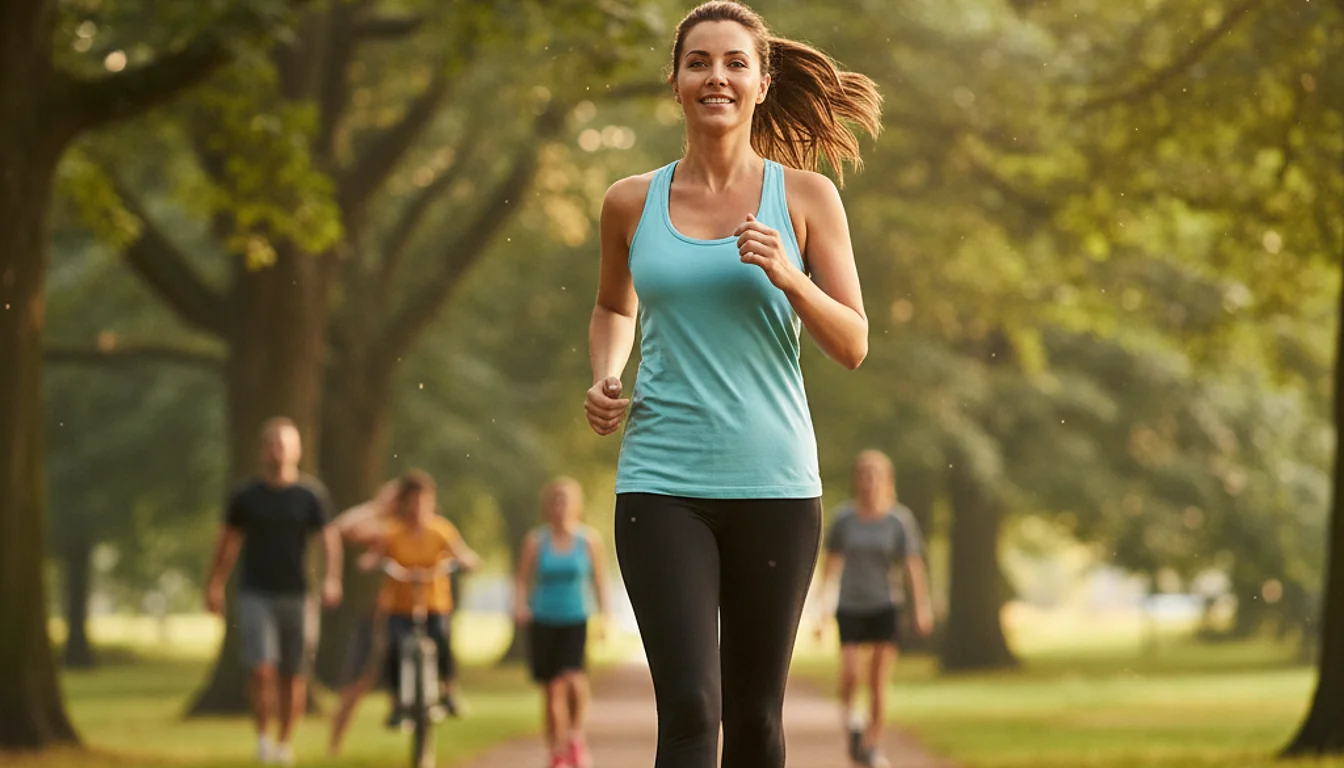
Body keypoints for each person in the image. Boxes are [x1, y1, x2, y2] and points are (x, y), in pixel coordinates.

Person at [583, 2, 880, 765]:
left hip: (776, 487)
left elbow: (852, 342)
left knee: (755, 721)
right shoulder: (630, 201)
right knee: (689, 709)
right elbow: (615, 305)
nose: (717, 75)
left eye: (735, 62)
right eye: (699, 62)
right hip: (660, 484)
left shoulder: (807, 199)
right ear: (676, 82)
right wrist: (607, 374)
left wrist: (791, 277)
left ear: (761, 80)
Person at [205, 417, 343, 766]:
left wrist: (331, 579)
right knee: (261, 669)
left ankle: (285, 743)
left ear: (297, 450)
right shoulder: (245, 496)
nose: (279, 451)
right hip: (256, 593)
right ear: (263, 451)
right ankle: (264, 738)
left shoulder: (310, 495)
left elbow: (329, 540)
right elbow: (227, 542)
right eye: (273, 444)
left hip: (298, 594)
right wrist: (215, 583)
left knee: (293, 674)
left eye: (286, 444)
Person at [813, 450, 934, 768]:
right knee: (851, 673)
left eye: (874, 474)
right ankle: (853, 722)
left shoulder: (899, 520)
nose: (868, 480)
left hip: (885, 605)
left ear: (886, 479)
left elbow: (913, 566)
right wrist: (823, 607)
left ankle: (872, 745)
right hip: (851, 605)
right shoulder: (844, 518)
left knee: (879, 680)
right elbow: (832, 564)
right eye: (863, 473)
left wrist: (921, 607)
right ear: (857, 479)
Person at [359, 469, 481, 727]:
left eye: (423, 500)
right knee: (392, 646)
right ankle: (395, 705)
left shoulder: (441, 530)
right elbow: (376, 555)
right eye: (412, 500)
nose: (417, 507)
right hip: (400, 605)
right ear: (404, 502)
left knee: (443, 640)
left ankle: (449, 693)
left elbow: (462, 554)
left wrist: (468, 562)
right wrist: (369, 562)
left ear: (432, 501)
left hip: (435, 603)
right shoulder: (393, 532)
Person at [513, 478, 612, 768]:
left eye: (565, 501)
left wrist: (606, 616)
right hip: (543, 619)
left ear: (575, 505)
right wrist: (520, 606)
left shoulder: (588, 540)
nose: (560, 507)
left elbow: (600, 581)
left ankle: (576, 738)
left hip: (575, 619)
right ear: (548, 506)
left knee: (575, 681)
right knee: (552, 689)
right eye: (555, 501)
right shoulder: (535, 540)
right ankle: (556, 752)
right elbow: (521, 579)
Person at [326, 478, 402, 757]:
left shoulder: (407, 532)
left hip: (400, 614)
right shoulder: (379, 527)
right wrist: (377, 509)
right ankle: (334, 745)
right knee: (355, 683)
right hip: (371, 618)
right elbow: (342, 527)